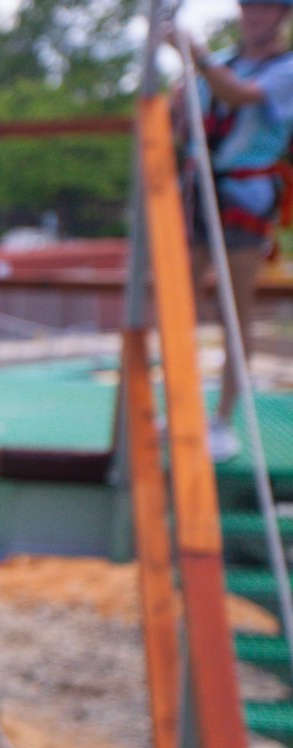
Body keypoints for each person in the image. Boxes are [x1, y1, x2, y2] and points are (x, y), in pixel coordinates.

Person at [169, 0, 293, 462]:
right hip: (198, 191)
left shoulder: (285, 68)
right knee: (180, 302)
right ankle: (183, 410)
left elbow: (241, 95)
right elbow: (185, 114)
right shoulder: (220, 61)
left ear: (281, 17)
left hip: (247, 196)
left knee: (234, 310)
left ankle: (221, 420)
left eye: (264, 10)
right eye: (248, 9)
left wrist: (195, 57)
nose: (253, 17)